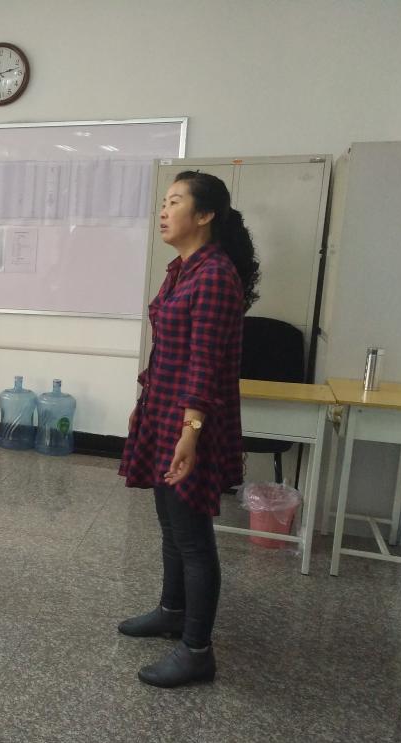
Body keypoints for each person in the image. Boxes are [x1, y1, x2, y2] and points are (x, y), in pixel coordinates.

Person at [118, 171, 260, 688]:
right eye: (164, 201)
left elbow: (204, 362)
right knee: (171, 526)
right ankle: (172, 612)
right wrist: (144, 401)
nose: (163, 211)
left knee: (193, 537)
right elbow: (168, 350)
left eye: (175, 202)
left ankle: (197, 650)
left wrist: (191, 431)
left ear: (204, 215)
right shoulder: (182, 269)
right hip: (165, 411)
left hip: (192, 420)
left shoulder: (216, 275)